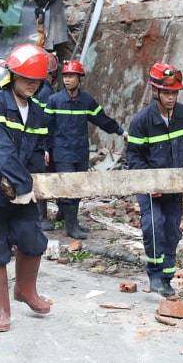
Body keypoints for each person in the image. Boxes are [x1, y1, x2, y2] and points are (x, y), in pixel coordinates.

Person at [0, 43, 51, 332]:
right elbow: (1, 150)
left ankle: (26, 291)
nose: (31, 85)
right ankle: (2, 311)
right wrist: (23, 184)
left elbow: (36, 151)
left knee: (32, 240)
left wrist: (34, 182)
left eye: (36, 80)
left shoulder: (38, 110)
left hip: (23, 190)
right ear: (12, 77)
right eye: (26, 79)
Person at [126, 63, 183, 297]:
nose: (171, 97)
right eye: (167, 93)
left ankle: (166, 277)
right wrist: (149, 184)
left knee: (172, 229)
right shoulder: (141, 121)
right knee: (154, 226)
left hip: (175, 184)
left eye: (175, 92)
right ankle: (154, 275)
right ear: (156, 92)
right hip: (149, 185)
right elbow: (133, 157)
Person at [46, 59, 127, 239]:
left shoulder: (86, 101)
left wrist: (120, 131)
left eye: (71, 76)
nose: (67, 79)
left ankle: (70, 220)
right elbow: (46, 127)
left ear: (79, 78)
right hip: (62, 153)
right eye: (65, 76)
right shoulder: (54, 101)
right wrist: (45, 149)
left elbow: (102, 119)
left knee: (79, 188)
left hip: (80, 152)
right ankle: (71, 227)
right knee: (68, 188)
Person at [30, 52, 58, 231]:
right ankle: (41, 217)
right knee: (42, 179)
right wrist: (46, 147)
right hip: (42, 142)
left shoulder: (36, 92)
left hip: (35, 141)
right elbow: (45, 122)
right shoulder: (46, 92)